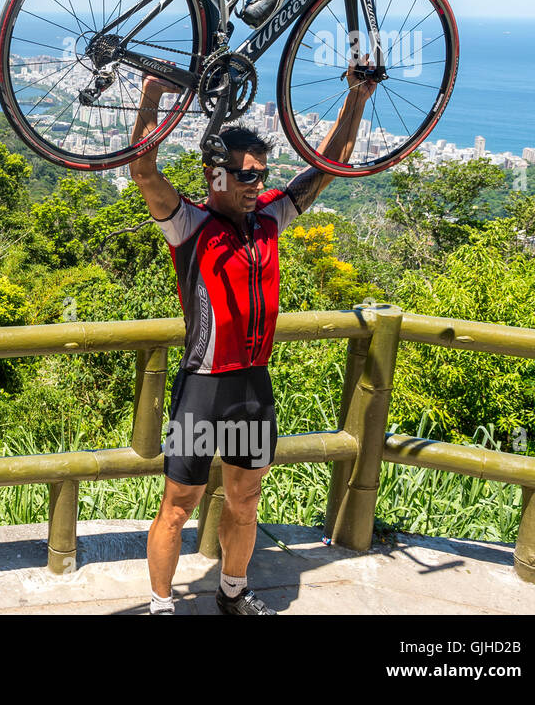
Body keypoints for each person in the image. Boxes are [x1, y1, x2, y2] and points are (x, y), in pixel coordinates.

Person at [127, 62, 376, 615]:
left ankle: (233, 592)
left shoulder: (269, 218)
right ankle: (160, 605)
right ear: (217, 177)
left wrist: (357, 97)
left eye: (262, 175)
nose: (256, 185)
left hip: (252, 388)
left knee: (245, 499)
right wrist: (152, 98)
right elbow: (143, 170)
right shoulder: (188, 225)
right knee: (179, 503)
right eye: (246, 176)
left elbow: (329, 163)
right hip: (203, 387)